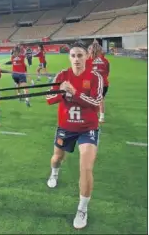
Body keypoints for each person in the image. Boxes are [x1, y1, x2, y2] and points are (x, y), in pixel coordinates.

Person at [45, 41, 104, 229]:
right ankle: (54, 173)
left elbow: (96, 101)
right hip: (66, 127)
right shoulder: (62, 75)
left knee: (85, 167)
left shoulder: (95, 76)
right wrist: (62, 92)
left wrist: (75, 91)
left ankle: (82, 208)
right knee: (56, 158)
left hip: (88, 128)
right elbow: (48, 98)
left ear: (87, 56)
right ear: (69, 57)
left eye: (80, 55)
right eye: (73, 55)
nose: (76, 59)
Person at [86, 42, 110, 123]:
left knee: (88, 99)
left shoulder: (87, 60)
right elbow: (107, 72)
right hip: (104, 83)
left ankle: (90, 115)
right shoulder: (105, 60)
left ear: (90, 51)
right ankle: (102, 117)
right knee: (101, 99)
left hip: (90, 83)